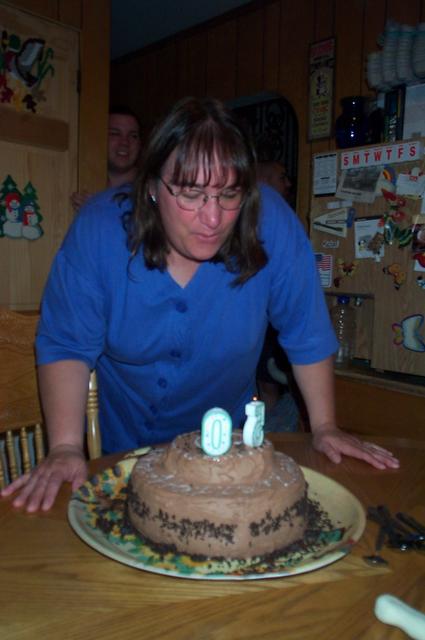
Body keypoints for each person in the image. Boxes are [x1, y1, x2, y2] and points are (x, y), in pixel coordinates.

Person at [2, 97, 399, 513]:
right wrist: (65, 447)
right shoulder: (99, 230)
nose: (213, 218)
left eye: (229, 194)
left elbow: (307, 332)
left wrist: (325, 426)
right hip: (124, 455)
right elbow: (66, 344)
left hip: (231, 457)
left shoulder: (272, 223)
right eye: (191, 193)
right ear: (152, 185)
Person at [70, 105, 142, 211]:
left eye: (133, 136)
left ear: (140, 144)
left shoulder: (150, 190)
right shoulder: (77, 180)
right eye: (115, 134)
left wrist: (98, 210)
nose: (125, 142)